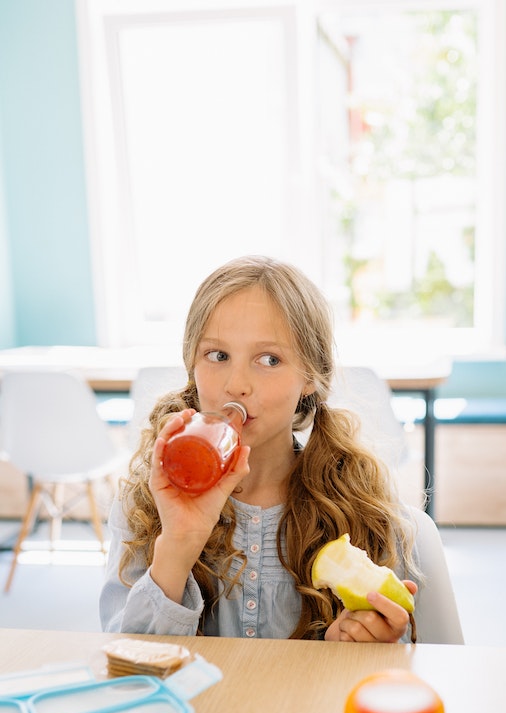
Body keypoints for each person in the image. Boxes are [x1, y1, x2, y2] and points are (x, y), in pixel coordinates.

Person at [100, 255, 430, 643]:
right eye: (218, 355)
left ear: (311, 377)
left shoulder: (360, 503)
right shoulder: (146, 504)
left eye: (269, 359)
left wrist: (357, 645)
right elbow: (129, 665)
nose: (237, 384)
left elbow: (396, 654)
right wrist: (177, 546)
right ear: (192, 365)